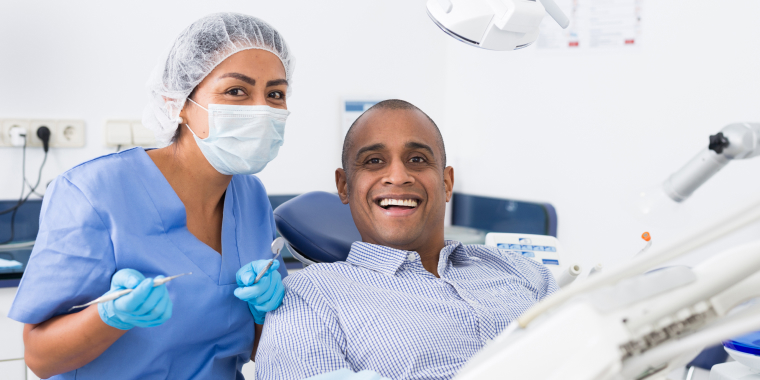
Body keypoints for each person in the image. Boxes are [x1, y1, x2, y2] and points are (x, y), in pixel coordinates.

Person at [9, 13, 292, 379]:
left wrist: (264, 314)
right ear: (180, 102)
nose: (261, 109)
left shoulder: (250, 196)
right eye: (236, 91)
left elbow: (266, 350)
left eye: (275, 94)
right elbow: (41, 358)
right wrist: (111, 317)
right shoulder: (94, 192)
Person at [255, 99, 559, 380]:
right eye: (374, 161)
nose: (398, 176)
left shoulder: (526, 272)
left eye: (417, 159)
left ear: (446, 182)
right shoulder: (310, 297)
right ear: (344, 186)